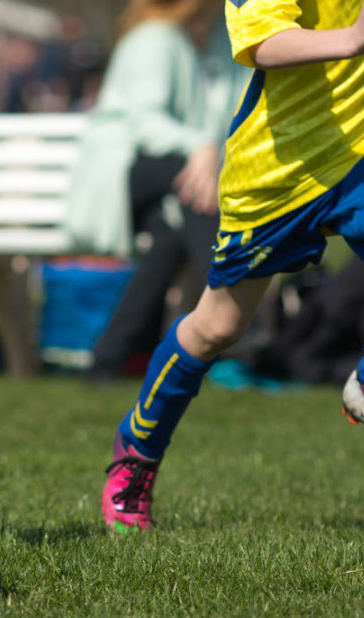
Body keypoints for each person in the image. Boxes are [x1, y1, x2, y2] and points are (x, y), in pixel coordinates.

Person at [100, 0, 364, 532]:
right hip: (278, 166)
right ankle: (137, 451)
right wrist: (351, 38)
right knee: (218, 326)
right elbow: (260, 44)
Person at [65, 0, 241, 380]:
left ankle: (113, 357)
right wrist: (202, 146)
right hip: (118, 171)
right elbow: (146, 123)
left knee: (171, 236)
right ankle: (236, 317)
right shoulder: (155, 38)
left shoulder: (198, 42)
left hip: (156, 175)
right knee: (195, 185)